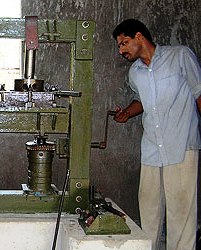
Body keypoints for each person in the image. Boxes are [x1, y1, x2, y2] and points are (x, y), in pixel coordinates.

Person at [112, 19, 201, 250]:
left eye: (124, 43)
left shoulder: (180, 56)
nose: (121, 50)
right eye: (120, 45)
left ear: (139, 37)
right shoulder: (135, 72)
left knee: (181, 211)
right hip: (151, 147)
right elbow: (142, 100)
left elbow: (199, 93)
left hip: (181, 144)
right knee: (149, 209)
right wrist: (127, 114)